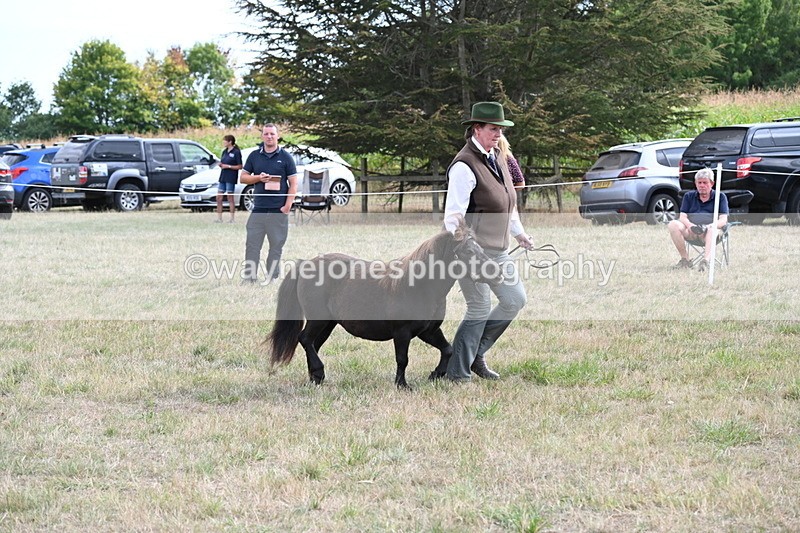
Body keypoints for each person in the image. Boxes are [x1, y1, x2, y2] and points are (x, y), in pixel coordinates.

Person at [443, 101, 534, 382]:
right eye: (493, 129)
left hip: (499, 250)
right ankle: (457, 374)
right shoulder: (464, 166)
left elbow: (508, 203)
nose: (498, 134)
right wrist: (470, 254)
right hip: (472, 254)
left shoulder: (498, 158)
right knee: (479, 308)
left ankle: (474, 355)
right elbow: (453, 218)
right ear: (477, 128)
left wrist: (519, 233)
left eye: (501, 130)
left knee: (514, 299)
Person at [240, 124, 299, 284]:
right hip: (258, 209)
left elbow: (293, 184)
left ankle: (272, 277)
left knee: (276, 246)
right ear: (262, 137)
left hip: (278, 210)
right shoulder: (254, 156)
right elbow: (243, 178)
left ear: (277, 136)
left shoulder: (286, 157)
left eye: (272, 134)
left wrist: (287, 206)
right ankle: (249, 277)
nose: (269, 137)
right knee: (252, 244)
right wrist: (258, 178)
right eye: (266, 134)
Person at [668, 167, 729, 271]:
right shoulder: (688, 196)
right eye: (699, 182)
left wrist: (709, 226)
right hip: (692, 231)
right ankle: (685, 260)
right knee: (673, 224)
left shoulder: (720, 197)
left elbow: (723, 219)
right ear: (695, 183)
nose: (702, 185)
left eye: (705, 182)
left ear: (712, 183)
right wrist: (690, 225)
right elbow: (682, 217)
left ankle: (705, 262)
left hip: (710, 232)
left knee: (711, 230)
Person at [217, 135, 242, 223]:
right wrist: (221, 165)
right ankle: (219, 218)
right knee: (219, 197)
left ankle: (232, 219)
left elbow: (240, 166)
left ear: (230, 142)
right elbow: (223, 162)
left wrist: (228, 166)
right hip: (223, 176)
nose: (223, 143)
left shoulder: (236, 152)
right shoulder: (224, 152)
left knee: (230, 197)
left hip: (230, 177)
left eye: (225, 141)